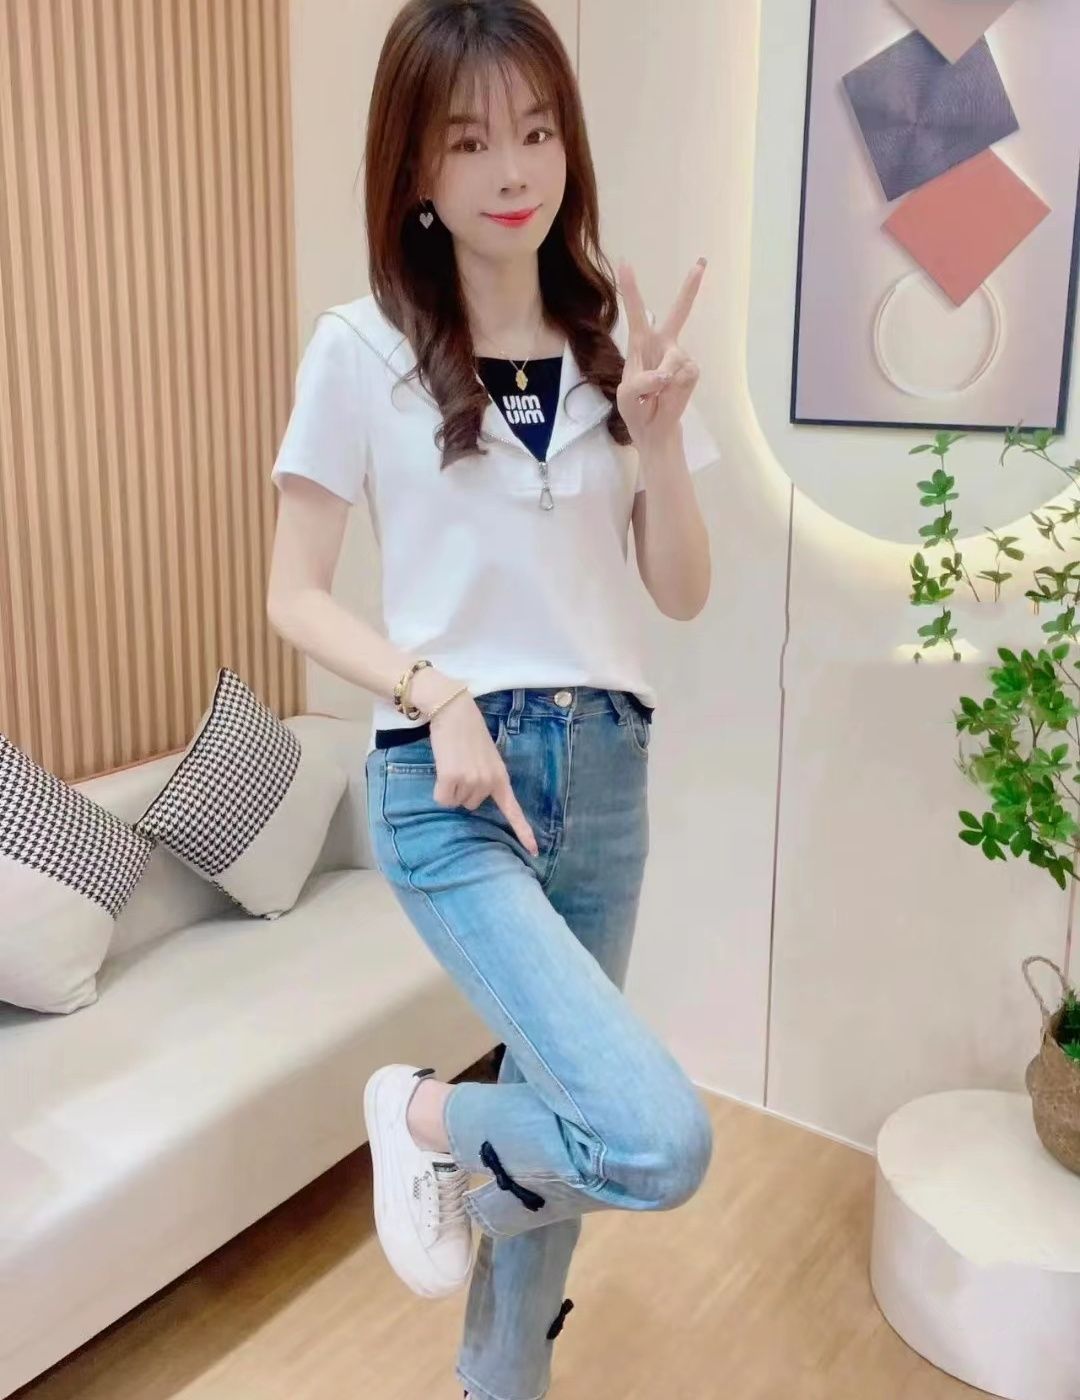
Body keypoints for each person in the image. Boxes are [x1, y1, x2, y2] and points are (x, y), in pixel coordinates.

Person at [267, 2, 721, 1396]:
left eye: (536, 131)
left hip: (608, 773)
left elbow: (680, 592)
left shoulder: (611, 349)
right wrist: (433, 689)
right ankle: (415, 1116)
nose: (512, 169)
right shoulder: (361, 349)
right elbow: (294, 593)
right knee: (653, 1139)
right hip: (451, 779)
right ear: (415, 168)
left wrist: (662, 443)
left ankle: (497, 1378)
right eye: (468, 141)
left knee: (563, 1128)